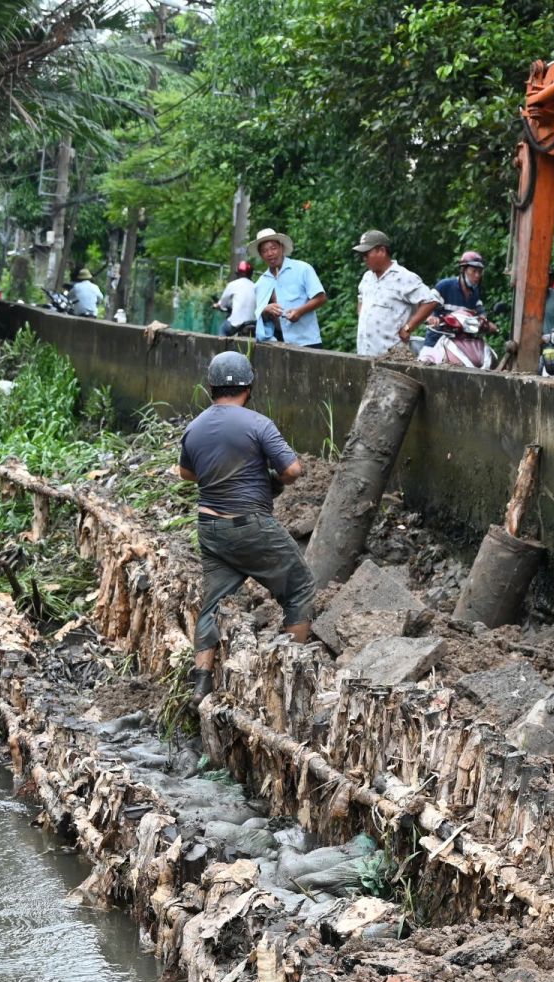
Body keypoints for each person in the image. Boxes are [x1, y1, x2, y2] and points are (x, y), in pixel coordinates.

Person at [177, 350, 314, 702]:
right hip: (249, 525)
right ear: (249, 387)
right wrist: (267, 476)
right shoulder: (258, 424)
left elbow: (187, 473)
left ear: (211, 386)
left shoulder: (194, 427)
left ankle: (201, 681)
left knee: (213, 602)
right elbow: (293, 471)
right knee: (299, 587)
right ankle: (289, 676)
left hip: (210, 528)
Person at [352, 229, 441, 357]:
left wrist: (408, 328)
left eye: (366, 254)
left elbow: (430, 301)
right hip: (364, 354)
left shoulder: (403, 277)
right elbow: (361, 299)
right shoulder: (367, 277)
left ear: (382, 251)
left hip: (392, 357)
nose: (364, 258)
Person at [251, 228, 328, 347]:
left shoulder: (302, 269)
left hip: (306, 342)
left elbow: (321, 298)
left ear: (281, 248)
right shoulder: (260, 284)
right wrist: (266, 310)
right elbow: (262, 319)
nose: (270, 253)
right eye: (264, 251)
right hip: (276, 344)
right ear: (261, 255)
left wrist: (300, 312)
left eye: (273, 248)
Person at [215, 260, 258, 337]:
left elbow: (223, 303)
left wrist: (218, 305)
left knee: (223, 329)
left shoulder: (233, 284)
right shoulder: (256, 287)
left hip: (236, 324)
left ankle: (221, 348)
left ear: (238, 273)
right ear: (251, 274)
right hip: (252, 324)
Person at [435, 251, 486, 315]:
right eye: (474, 271)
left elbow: (481, 314)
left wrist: (483, 318)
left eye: (480, 272)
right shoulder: (444, 286)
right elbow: (428, 310)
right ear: (463, 269)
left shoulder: (475, 293)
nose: (477, 275)